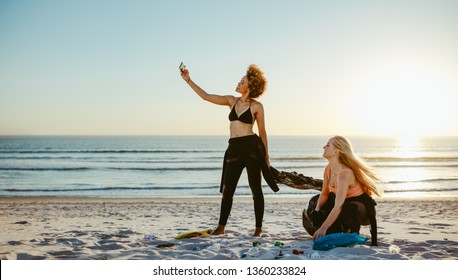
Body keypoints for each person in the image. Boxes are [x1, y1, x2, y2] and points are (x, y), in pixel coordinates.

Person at [180, 64, 279, 237]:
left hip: (252, 149)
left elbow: (262, 132)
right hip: (234, 149)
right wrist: (188, 80)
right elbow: (206, 97)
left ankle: (258, 229)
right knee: (228, 189)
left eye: (242, 81)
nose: (238, 82)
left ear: (251, 86)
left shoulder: (257, 107)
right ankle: (221, 226)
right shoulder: (231, 101)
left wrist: (266, 157)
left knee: (256, 189)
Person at [302, 136, 379, 245]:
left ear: (336, 151)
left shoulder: (344, 175)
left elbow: (338, 205)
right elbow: (324, 193)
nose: (324, 147)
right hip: (342, 205)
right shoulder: (328, 168)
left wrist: (323, 228)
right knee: (314, 201)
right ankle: (335, 230)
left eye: (328, 145)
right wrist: (317, 211)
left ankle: (350, 233)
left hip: (359, 210)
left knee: (346, 209)